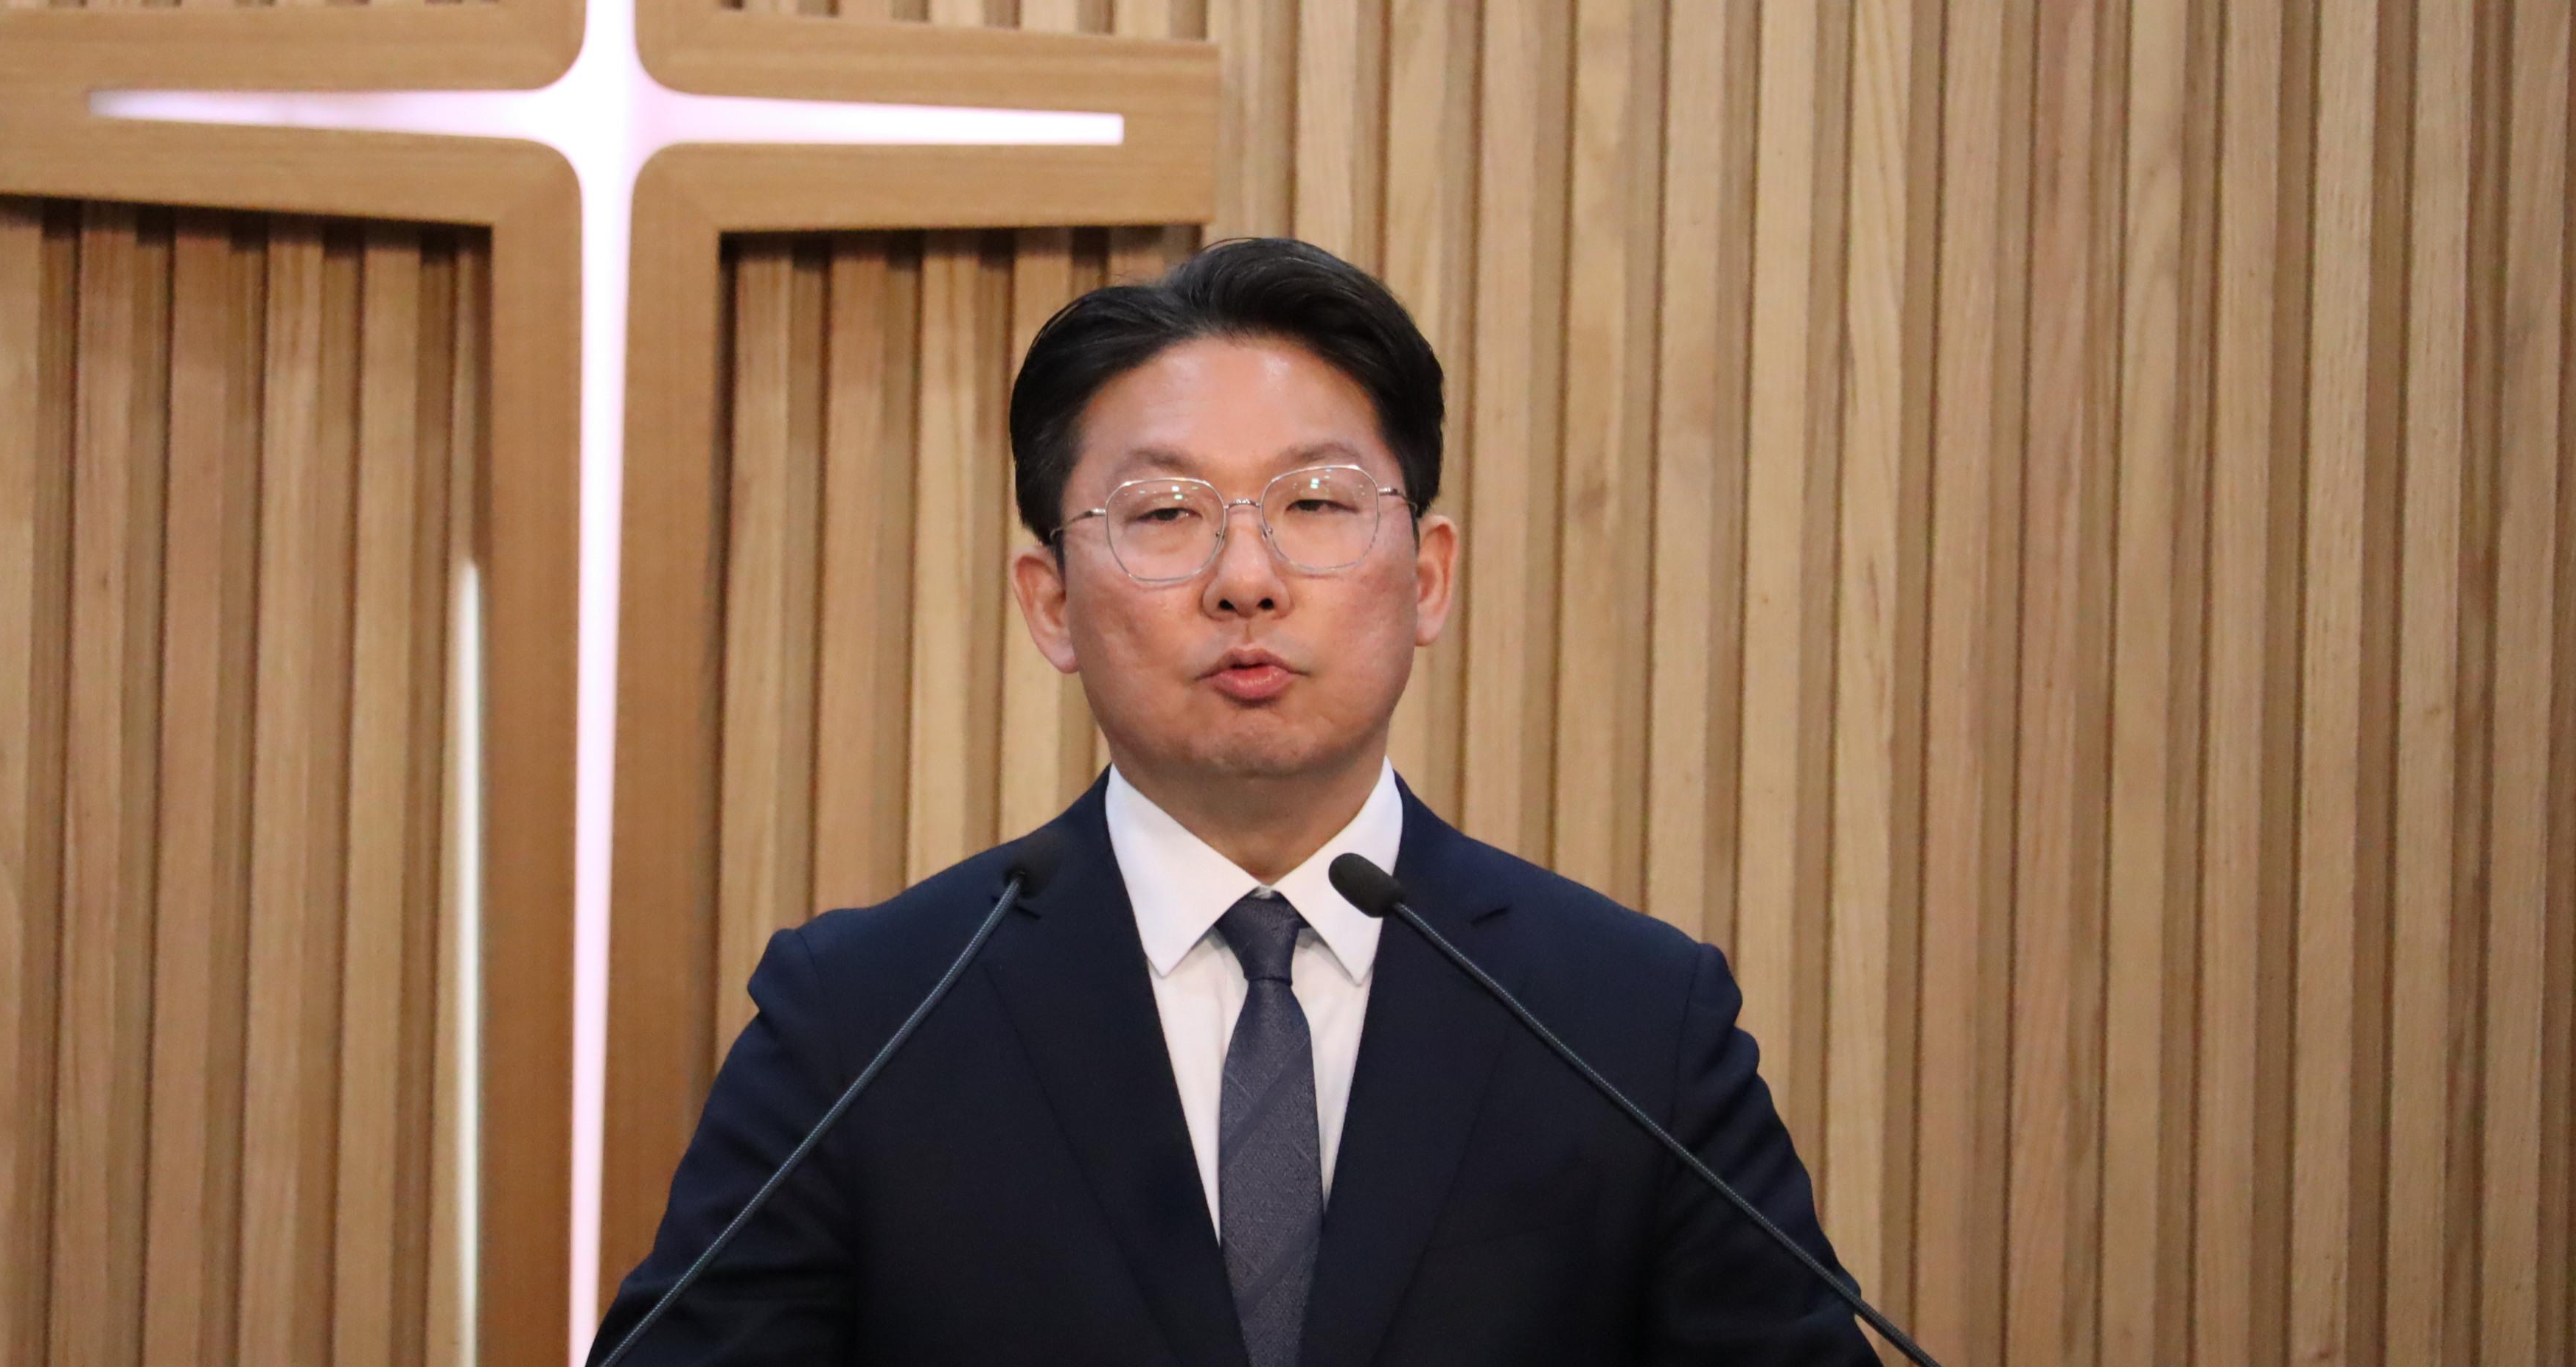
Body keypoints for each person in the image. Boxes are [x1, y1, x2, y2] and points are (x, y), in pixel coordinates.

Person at [590, 238, 1879, 1365]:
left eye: (1315, 502)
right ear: (1051, 604)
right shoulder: (866, 1023)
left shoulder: (1631, 1024)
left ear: (1428, 579)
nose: (1246, 578)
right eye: (1164, 513)